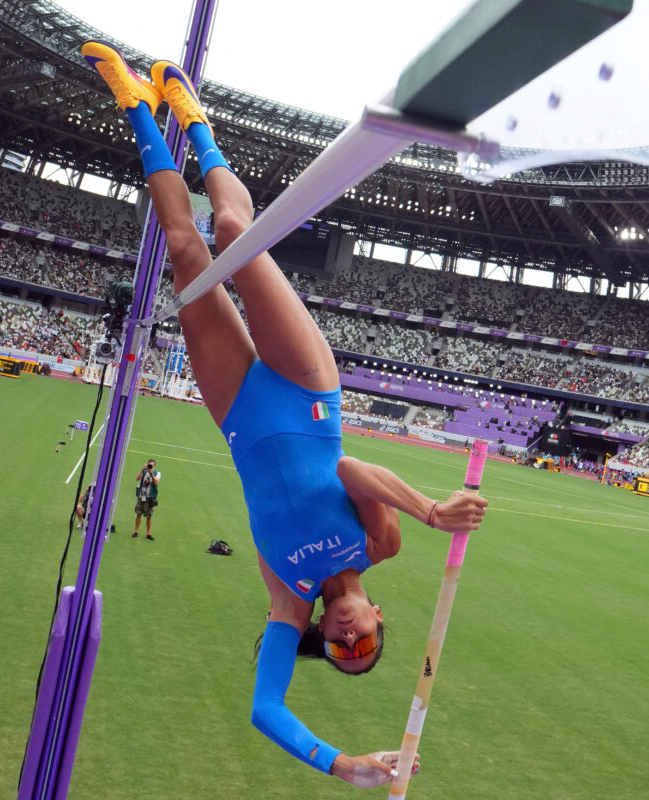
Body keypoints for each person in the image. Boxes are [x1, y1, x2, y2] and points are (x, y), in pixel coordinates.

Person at [81, 41, 488, 788]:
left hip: (236, 411)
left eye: (340, 651)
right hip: (306, 389)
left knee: (183, 248)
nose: (346, 637)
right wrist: (431, 511)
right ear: (378, 621)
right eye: (362, 641)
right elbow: (349, 466)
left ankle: (136, 107)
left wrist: (341, 765)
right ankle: (197, 124)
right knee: (238, 237)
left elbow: (265, 708)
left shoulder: (286, 599)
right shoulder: (380, 547)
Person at [133, 458, 160, 540]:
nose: (150, 466)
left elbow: (156, 482)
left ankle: (148, 533)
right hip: (143, 494)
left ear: (154, 466)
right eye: (149, 465)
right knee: (138, 513)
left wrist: (151, 474)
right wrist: (142, 470)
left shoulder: (157, 473)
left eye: (151, 465)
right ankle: (135, 531)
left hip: (150, 496)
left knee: (148, 516)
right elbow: (137, 478)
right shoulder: (144, 471)